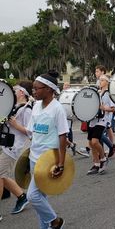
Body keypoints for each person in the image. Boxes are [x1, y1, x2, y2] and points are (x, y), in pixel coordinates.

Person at [27, 70, 69, 229]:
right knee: (41, 199)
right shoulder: (36, 106)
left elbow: (62, 136)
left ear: (49, 90)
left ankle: (56, 221)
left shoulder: (57, 108)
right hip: (33, 158)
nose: (34, 92)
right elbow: (32, 132)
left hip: (48, 160)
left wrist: (61, 163)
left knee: (33, 196)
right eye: (33, 88)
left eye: (37, 88)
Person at [0, 81, 33, 220]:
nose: (13, 91)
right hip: (3, 143)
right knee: (2, 175)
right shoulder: (12, 106)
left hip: (12, 148)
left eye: (16, 89)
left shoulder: (27, 110)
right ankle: (21, 196)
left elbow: (31, 132)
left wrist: (15, 125)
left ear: (22, 92)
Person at [78, 65, 106, 157]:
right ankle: (98, 158)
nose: (95, 73)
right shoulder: (98, 85)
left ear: (102, 72)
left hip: (102, 117)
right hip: (95, 116)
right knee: (96, 138)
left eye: (97, 71)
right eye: (95, 71)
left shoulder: (105, 91)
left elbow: (110, 106)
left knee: (97, 138)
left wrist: (104, 108)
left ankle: (102, 155)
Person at [86, 74, 112, 175]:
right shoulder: (96, 93)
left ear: (107, 82)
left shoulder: (109, 94)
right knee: (91, 143)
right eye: (99, 80)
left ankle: (103, 158)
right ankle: (96, 164)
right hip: (92, 120)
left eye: (102, 80)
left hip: (102, 120)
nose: (100, 81)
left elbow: (113, 108)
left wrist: (104, 108)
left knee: (95, 142)